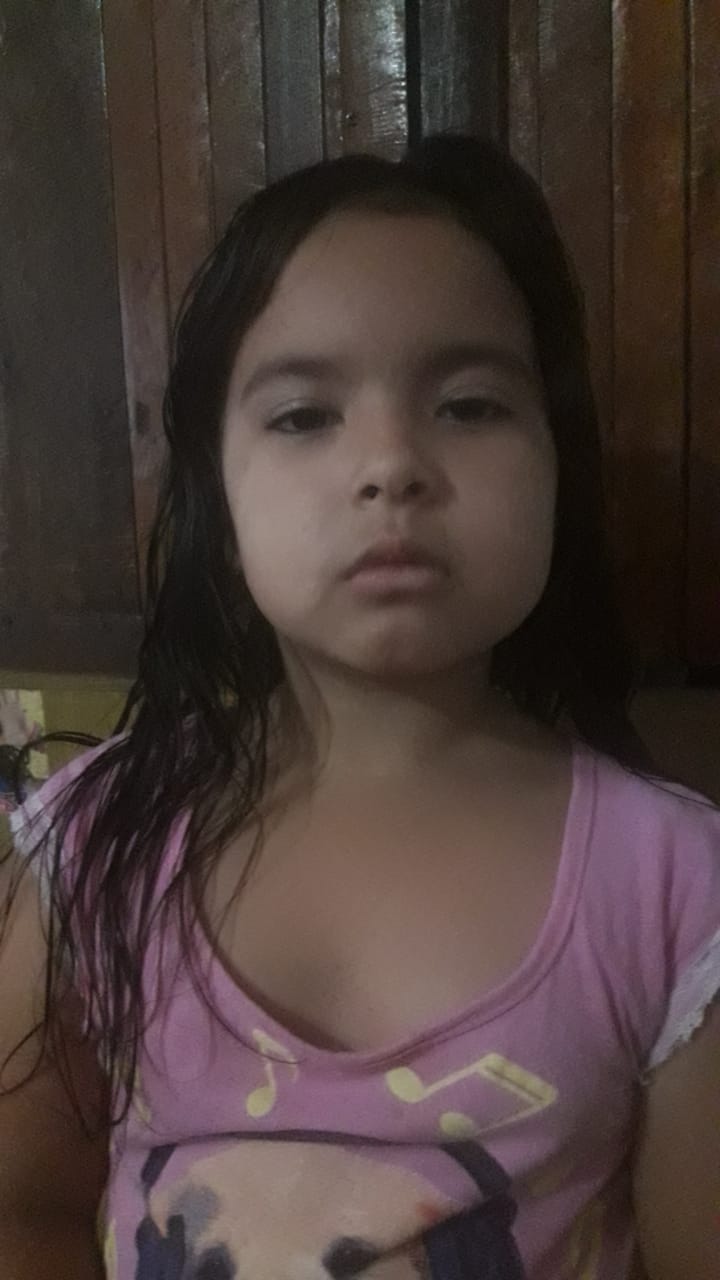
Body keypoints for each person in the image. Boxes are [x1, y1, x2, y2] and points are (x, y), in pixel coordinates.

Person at [1, 133, 718, 1280]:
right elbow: (24, 1208)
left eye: (470, 404)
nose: (391, 463)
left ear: (558, 465)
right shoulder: (97, 844)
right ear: (216, 499)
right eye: (303, 415)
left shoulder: (674, 887)